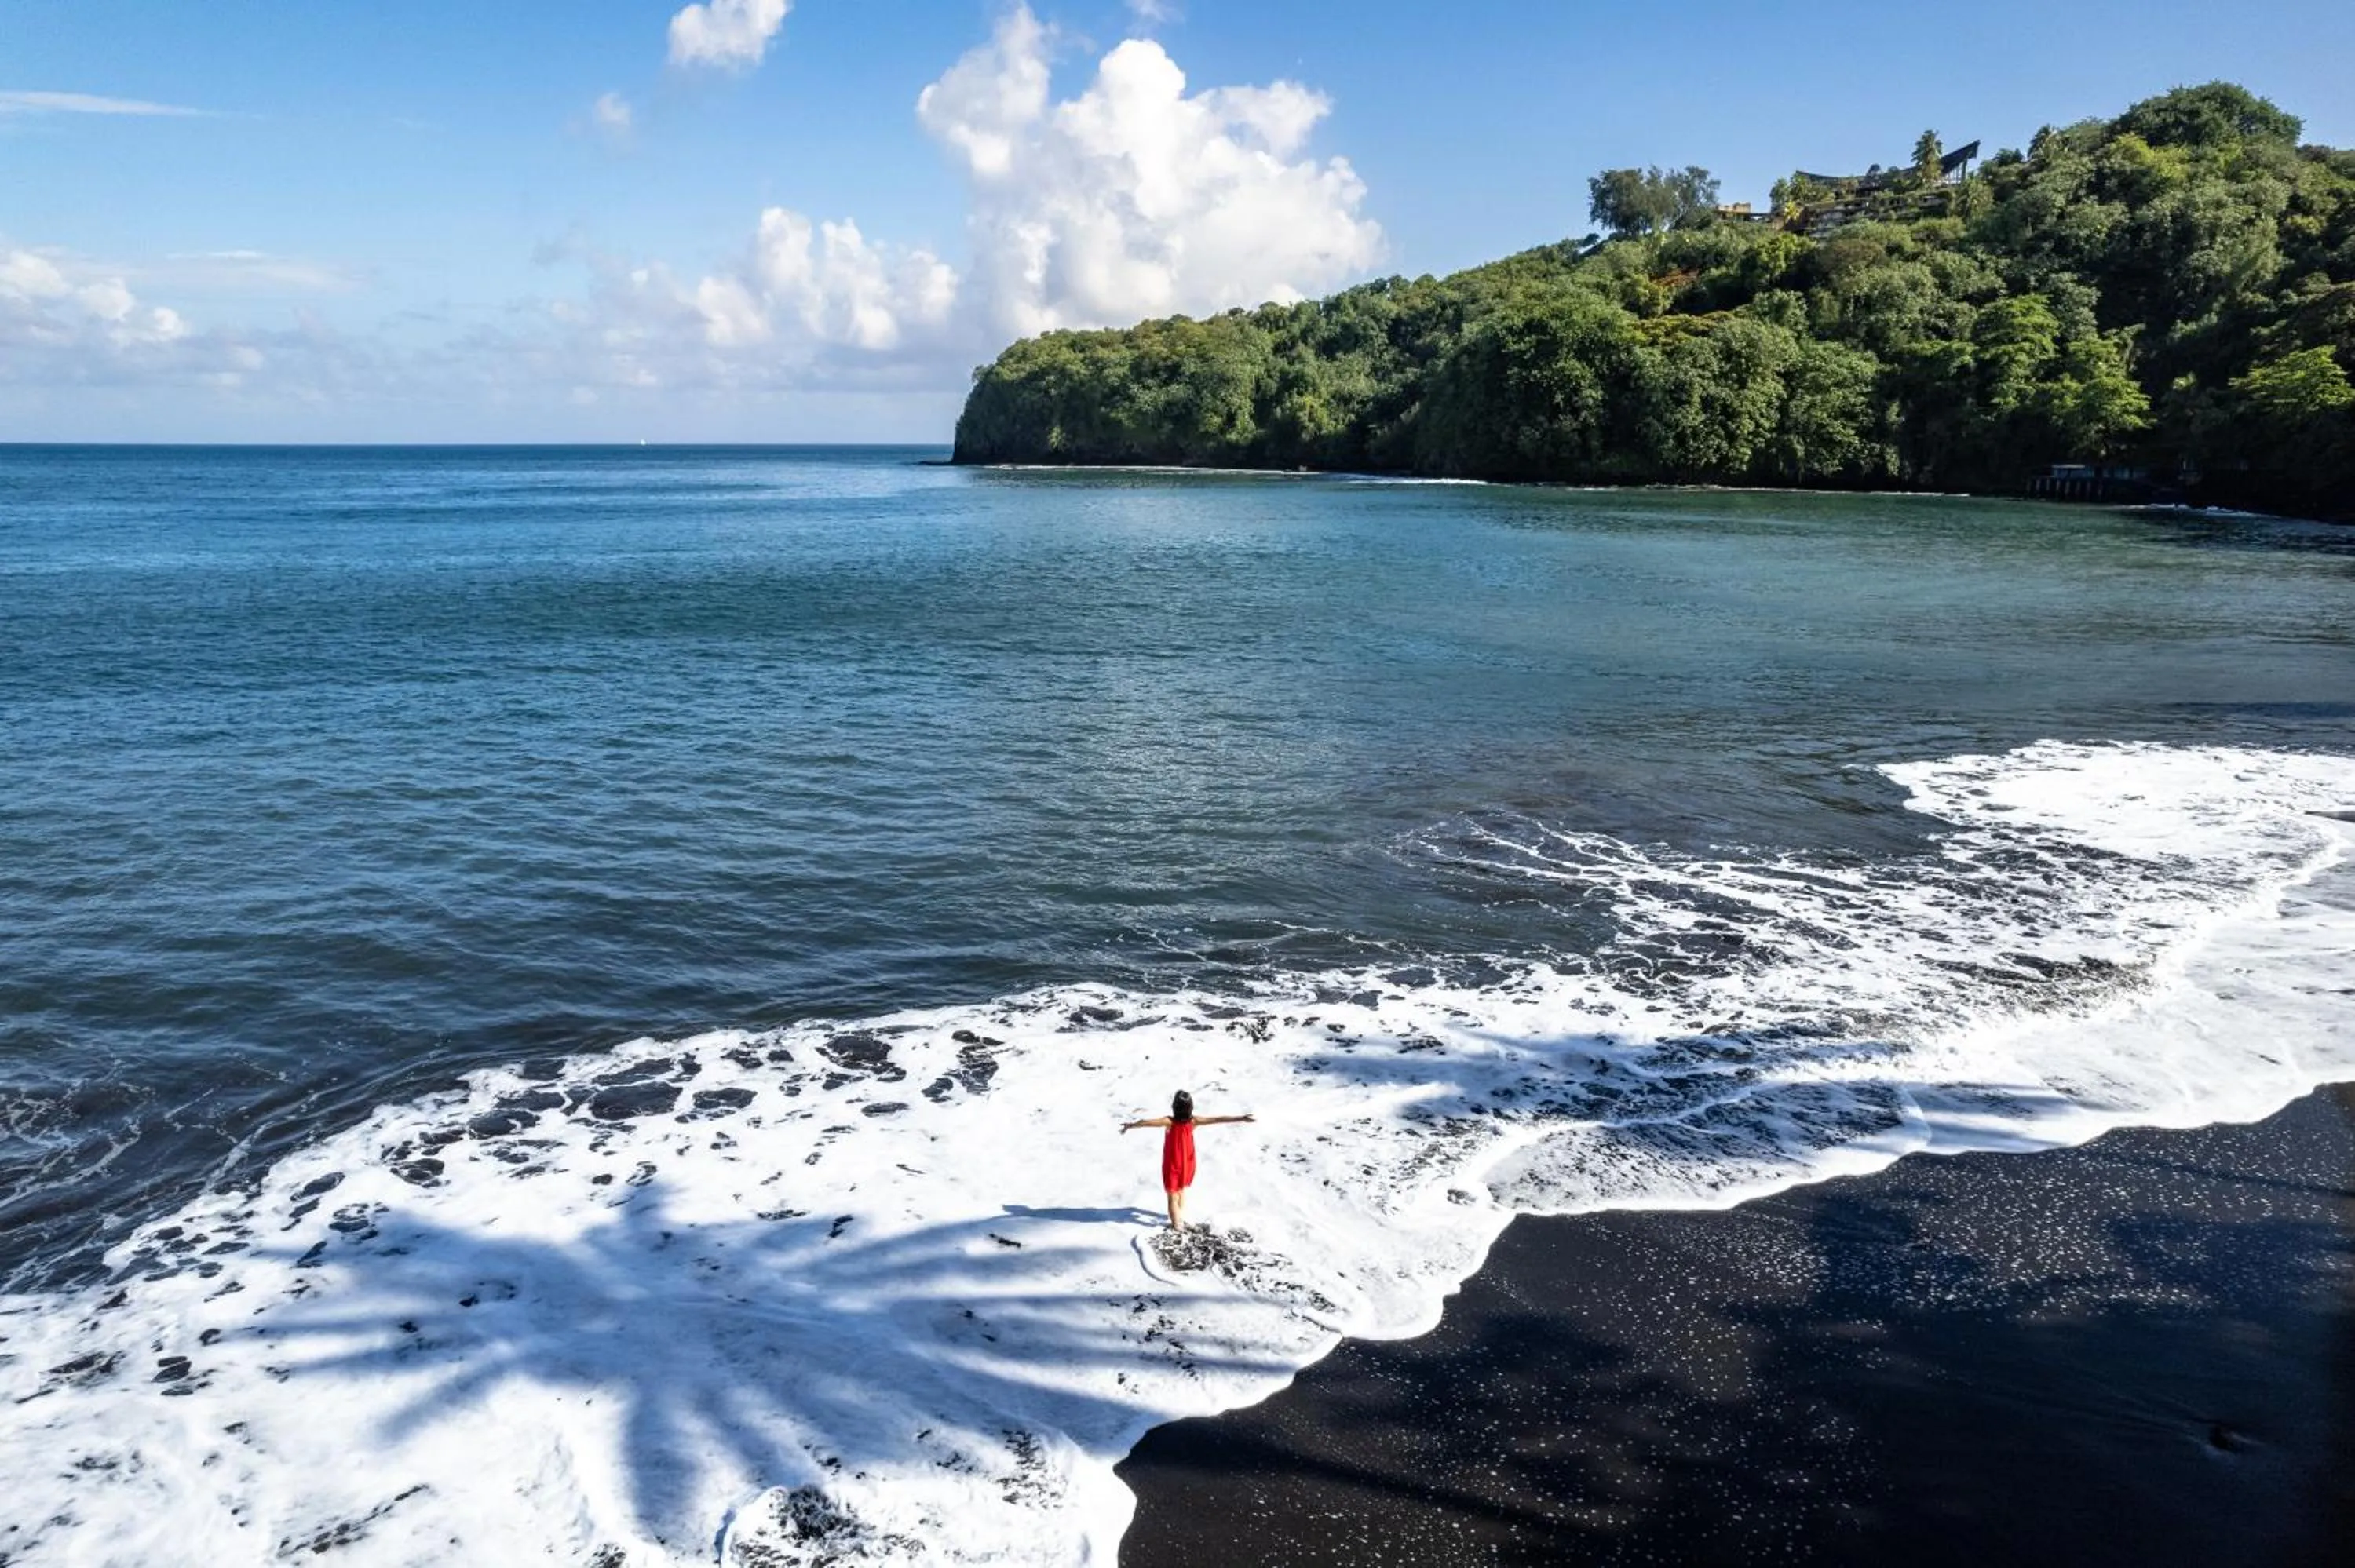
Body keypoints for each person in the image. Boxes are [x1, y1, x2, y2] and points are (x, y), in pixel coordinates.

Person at [1121, 1090, 1254, 1231]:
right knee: (1181, 1190)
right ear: (1190, 1107)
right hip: (1187, 1163)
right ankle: (1180, 1218)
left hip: (1172, 1163)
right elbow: (1217, 1119)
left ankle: (1177, 1227)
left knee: (1172, 1196)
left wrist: (1130, 1126)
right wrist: (1242, 1118)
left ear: (1174, 1107)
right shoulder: (1194, 1121)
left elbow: (1146, 1123)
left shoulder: (1169, 1122)